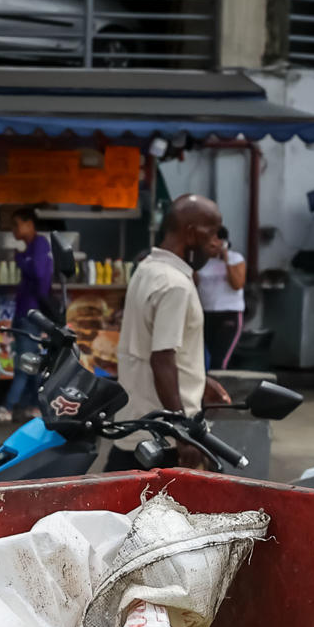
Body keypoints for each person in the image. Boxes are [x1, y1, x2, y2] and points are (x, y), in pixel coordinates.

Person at [117, 195, 231, 464]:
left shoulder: (147, 268)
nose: (217, 242)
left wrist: (199, 380)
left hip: (136, 424)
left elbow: (156, 349)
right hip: (163, 437)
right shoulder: (175, 285)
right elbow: (162, 360)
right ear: (191, 234)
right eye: (213, 232)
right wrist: (182, 434)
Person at [0, 206, 55, 427]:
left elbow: (38, 274)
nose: (13, 230)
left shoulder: (40, 245)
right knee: (30, 362)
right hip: (24, 314)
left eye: (16, 224)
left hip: (31, 314)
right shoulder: (29, 248)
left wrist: (21, 260)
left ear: (29, 223)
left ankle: (7, 408)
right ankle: (35, 406)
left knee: (24, 365)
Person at [197, 224, 246, 370]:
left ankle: (221, 389)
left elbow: (237, 284)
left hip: (228, 313)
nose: (211, 244)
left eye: (215, 240)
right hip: (206, 312)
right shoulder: (202, 261)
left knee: (219, 360)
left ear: (223, 242)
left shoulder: (235, 258)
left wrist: (225, 259)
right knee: (203, 357)